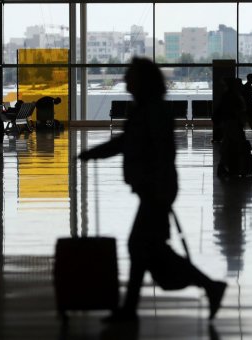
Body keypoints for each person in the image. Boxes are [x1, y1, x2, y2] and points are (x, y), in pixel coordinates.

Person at [78, 57, 227, 323]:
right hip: (153, 188)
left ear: (143, 81)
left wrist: (156, 187)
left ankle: (209, 286)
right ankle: (131, 309)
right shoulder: (146, 109)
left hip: (156, 189)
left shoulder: (153, 111)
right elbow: (127, 142)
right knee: (145, 248)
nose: (126, 80)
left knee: (144, 246)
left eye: (131, 75)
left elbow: (162, 152)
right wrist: (94, 154)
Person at [216, 77, 252, 178]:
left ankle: (228, 166)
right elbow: (236, 110)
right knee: (236, 144)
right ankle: (237, 167)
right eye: (239, 84)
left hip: (230, 123)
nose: (242, 85)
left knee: (228, 144)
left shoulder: (228, 95)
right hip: (233, 123)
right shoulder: (234, 96)